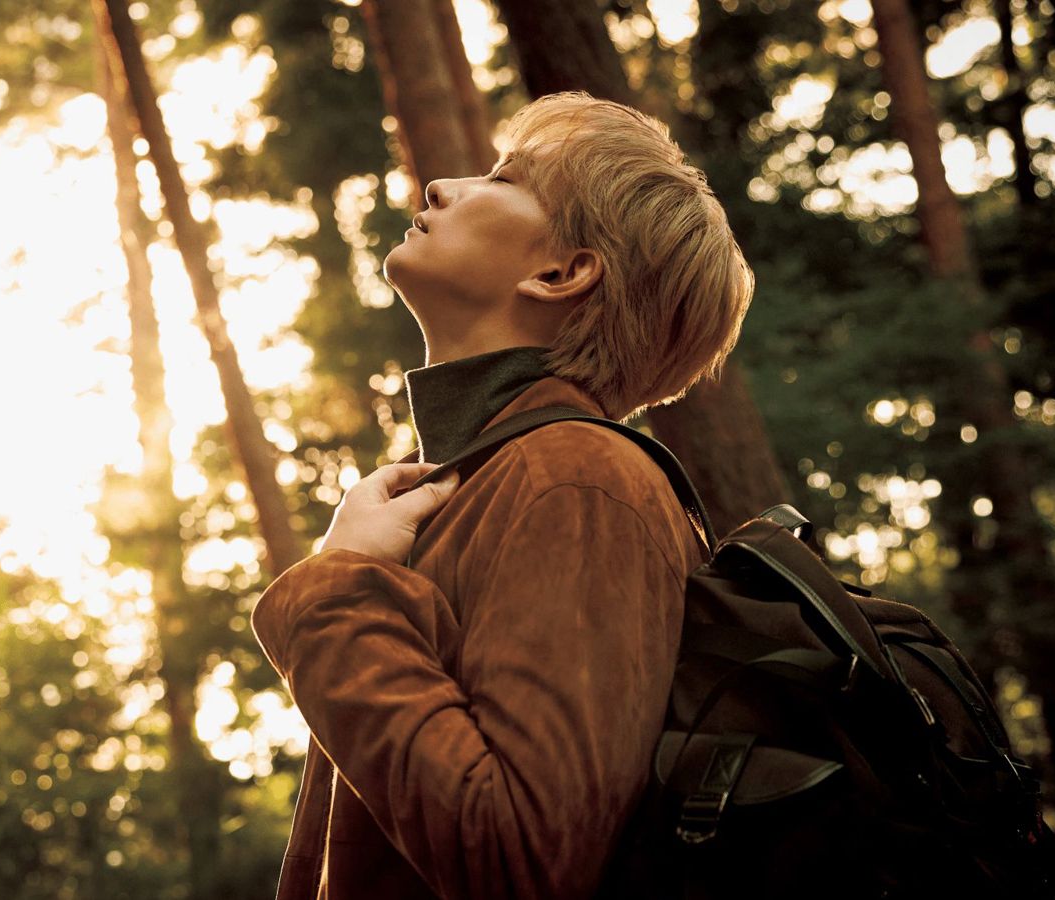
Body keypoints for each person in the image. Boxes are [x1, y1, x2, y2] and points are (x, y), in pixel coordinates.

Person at [249, 91, 755, 899]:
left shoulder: (580, 479)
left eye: (505, 177)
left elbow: (520, 860)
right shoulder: (483, 482)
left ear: (563, 272)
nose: (441, 187)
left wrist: (336, 593)